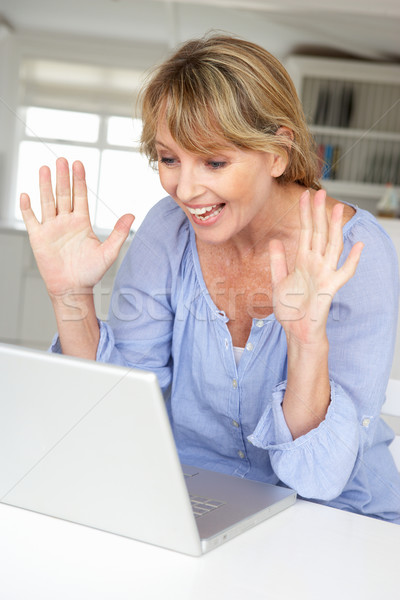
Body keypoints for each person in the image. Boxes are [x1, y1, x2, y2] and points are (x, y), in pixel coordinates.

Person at [20, 34, 400, 523]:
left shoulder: (353, 252)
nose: (186, 188)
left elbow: (319, 480)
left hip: (337, 519)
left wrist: (306, 341)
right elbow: (113, 413)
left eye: (215, 161)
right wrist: (70, 295)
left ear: (279, 151)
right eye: (169, 159)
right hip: (195, 501)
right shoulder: (168, 228)